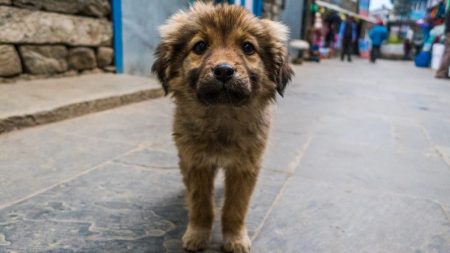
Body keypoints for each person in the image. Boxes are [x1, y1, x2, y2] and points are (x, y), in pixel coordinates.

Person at [436, 5, 450, 79]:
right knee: (448, 53)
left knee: (447, 53)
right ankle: (441, 72)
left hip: (448, 32)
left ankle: (442, 72)